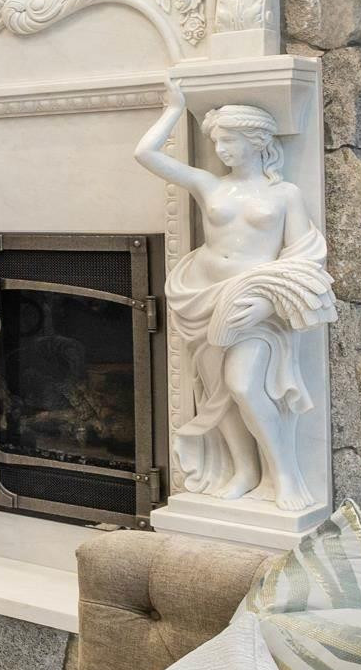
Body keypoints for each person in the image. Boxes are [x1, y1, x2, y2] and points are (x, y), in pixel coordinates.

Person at [133, 82, 334, 510]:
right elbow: (145, 155)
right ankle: (244, 469)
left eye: (228, 140)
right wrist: (173, 110)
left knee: (242, 384)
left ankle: (284, 475)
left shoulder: (284, 194)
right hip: (201, 298)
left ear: (257, 140)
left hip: (253, 303)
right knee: (214, 390)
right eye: (216, 141)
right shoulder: (210, 185)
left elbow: (304, 257)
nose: (221, 149)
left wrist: (266, 302)